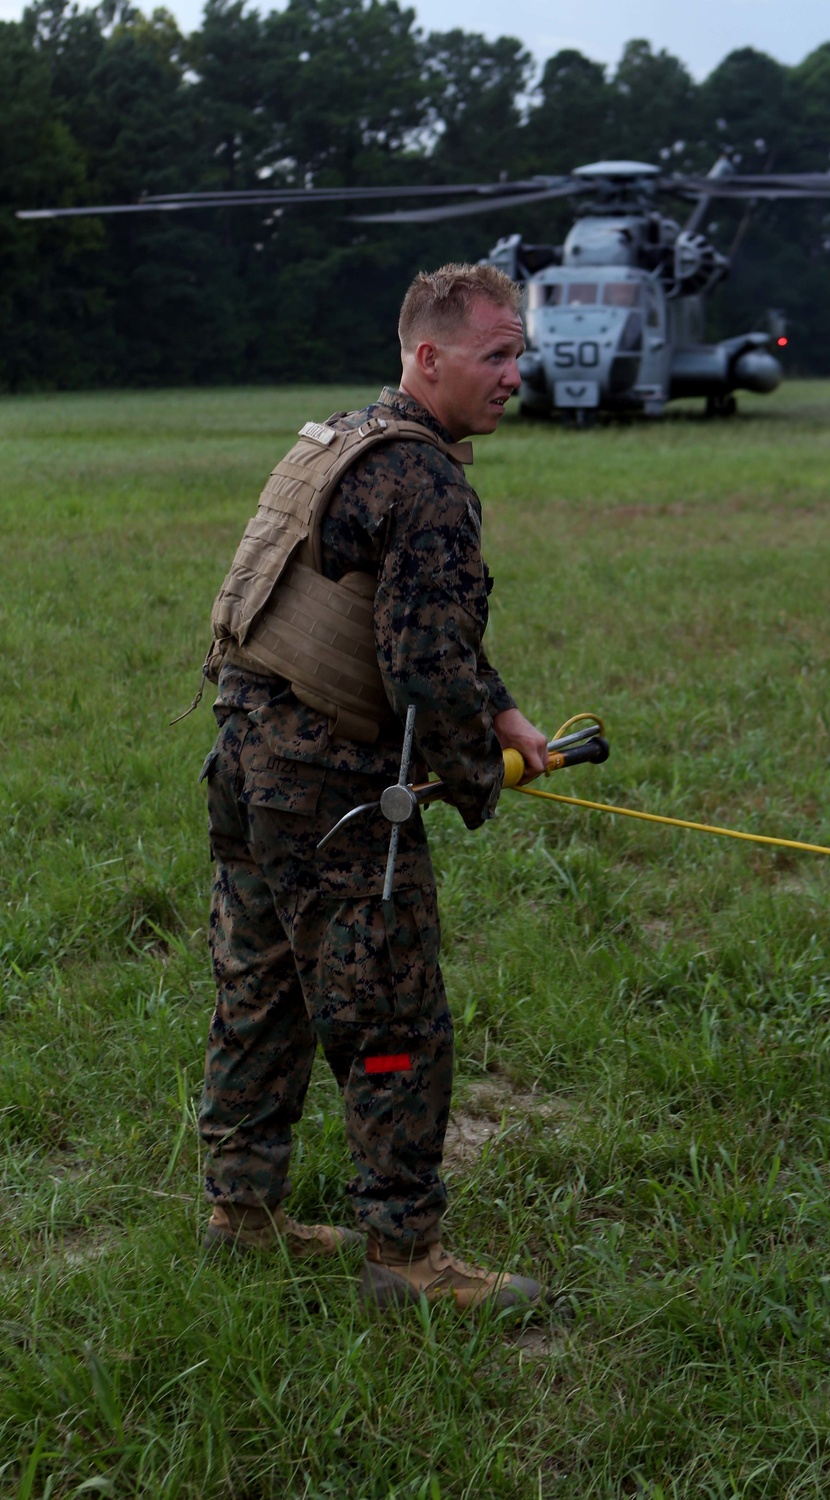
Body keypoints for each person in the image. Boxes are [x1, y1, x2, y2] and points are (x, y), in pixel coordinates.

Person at [196, 263, 549, 1311]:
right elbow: (423, 667)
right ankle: (405, 1255)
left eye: (518, 353)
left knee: (260, 986)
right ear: (428, 357)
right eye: (496, 355)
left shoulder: (342, 441)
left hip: (245, 752)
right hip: (329, 784)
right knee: (393, 1010)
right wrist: (481, 774)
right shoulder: (428, 480)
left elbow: (398, 626)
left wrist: (502, 711)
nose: (514, 375)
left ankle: (242, 1212)